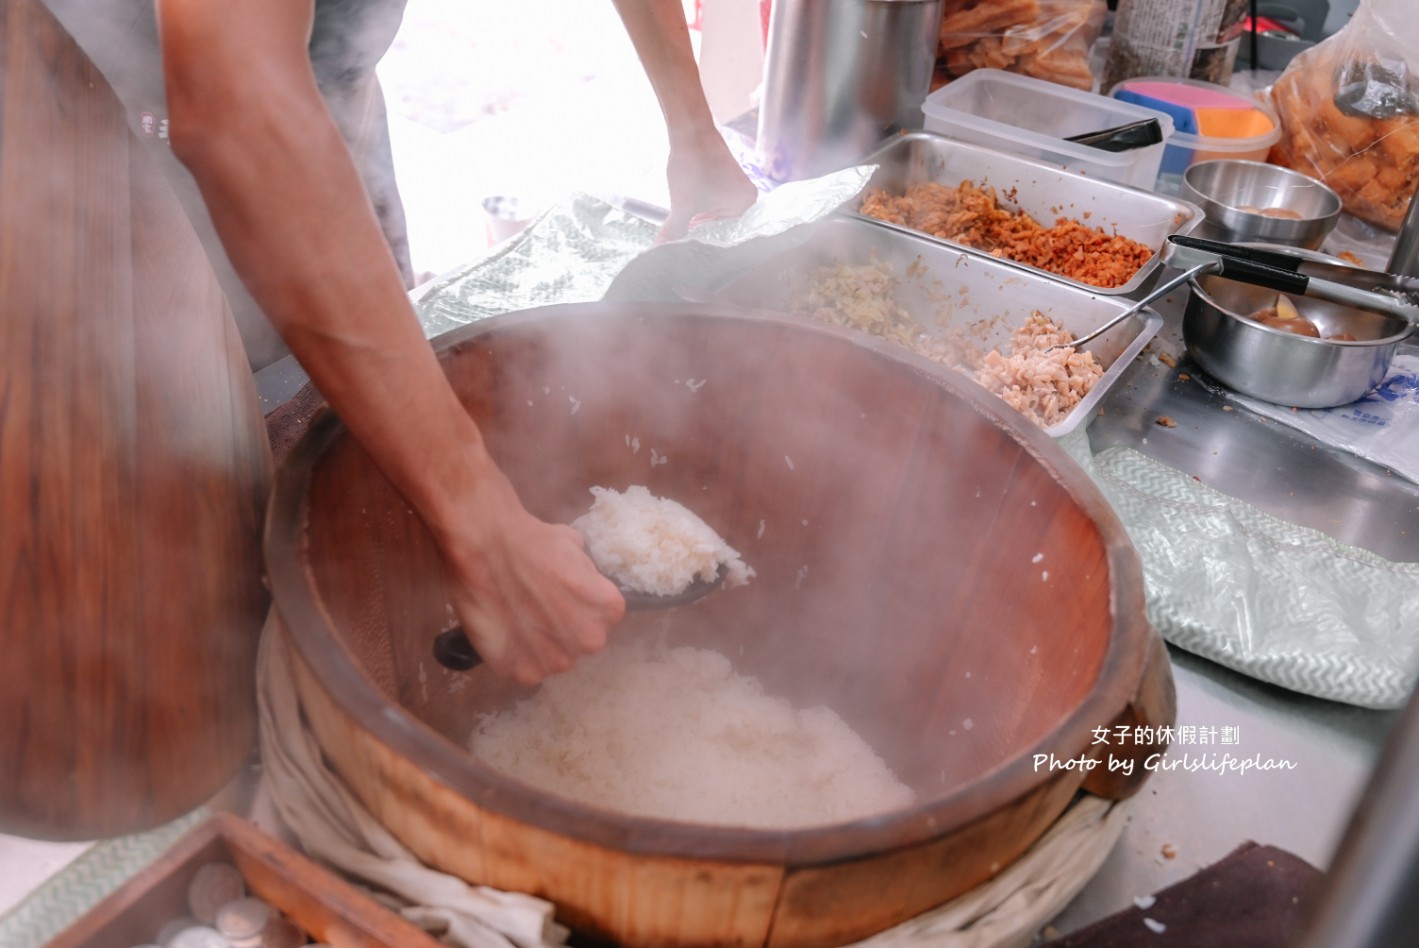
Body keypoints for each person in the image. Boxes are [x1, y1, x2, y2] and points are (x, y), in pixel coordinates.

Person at [146, 0, 757, 684]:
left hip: (326, 138)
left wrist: (693, 131)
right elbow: (237, 109)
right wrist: (486, 530)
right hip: (132, 189)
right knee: (194, 569)